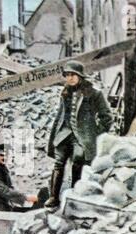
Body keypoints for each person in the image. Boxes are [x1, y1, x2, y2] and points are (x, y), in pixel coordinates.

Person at [45, 60, 113, 208]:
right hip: (64, 134)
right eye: (67, 75)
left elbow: (107, 117)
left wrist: (95, 134)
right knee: (58, 164)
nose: (69, 78)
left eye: (73, 75)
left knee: (78, 163)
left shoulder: (94, 94)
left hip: (82, 138)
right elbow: (60, 115)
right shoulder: (65, 92)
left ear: (80, 76)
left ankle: (74, 197)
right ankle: (53, 198)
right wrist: (55, 133)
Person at [0, 144, 42, 212]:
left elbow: (10, 187)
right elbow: (5, 191)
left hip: (2, 205)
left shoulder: (3, 168)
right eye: (1, 155)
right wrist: (26, 198)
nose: (4, 158)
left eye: (6, 155)